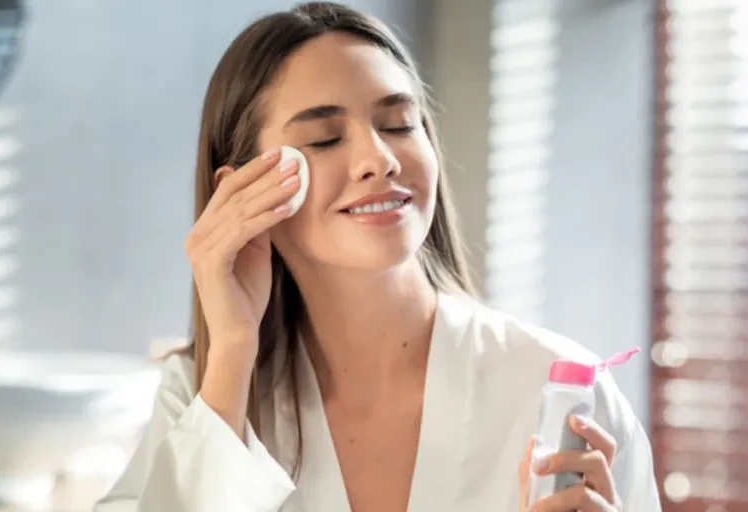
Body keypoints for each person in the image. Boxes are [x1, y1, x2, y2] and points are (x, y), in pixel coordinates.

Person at [94, 2, 661, 511]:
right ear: (240, 191)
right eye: (323, 139)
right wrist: (234, 352)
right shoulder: (200, 391)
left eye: (399, 124)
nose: (379, 158)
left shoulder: (555, 393)